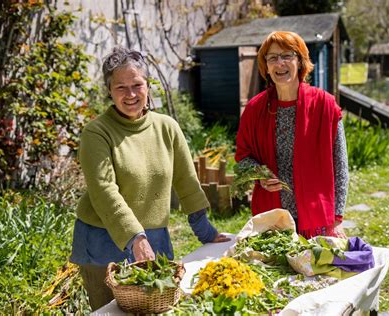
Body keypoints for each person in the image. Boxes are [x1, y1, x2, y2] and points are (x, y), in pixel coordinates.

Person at [70, 46, 229, 311]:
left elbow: (186, 178)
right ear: (109, 90)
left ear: (148, 86)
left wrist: (202, 226)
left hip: (154, 239)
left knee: (158, 308)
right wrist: (135, 238)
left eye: (137, 85)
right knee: (110, 312)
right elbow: (103, 191)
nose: (130, 94)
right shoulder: (96, 132)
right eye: (120, 87)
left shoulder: (166, 127)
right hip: (102, 241)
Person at [235, 31, 349, 239]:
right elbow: (242, 159)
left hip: (317, 220)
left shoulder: (325, 105)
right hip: (272, 220)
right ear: (266, 67)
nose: (280, 63)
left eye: (287, 55)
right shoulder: (254, 110)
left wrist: (337, 219)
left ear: (300, 61)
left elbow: (340, 166)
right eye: (272, 58)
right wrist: (260, 174)